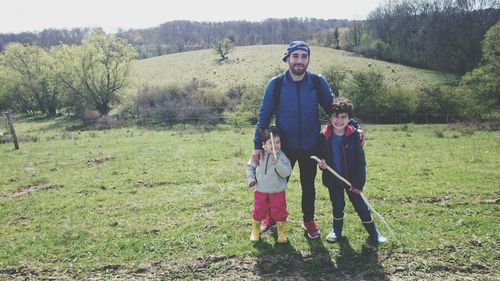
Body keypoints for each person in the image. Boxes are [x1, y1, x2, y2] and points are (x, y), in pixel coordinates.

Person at [252, 40, 362, 239]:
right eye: (295, 56)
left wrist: (355, 127)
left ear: (309, 59)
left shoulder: (318, 82)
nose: (299, 61)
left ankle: (308, 220)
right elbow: (264, 116)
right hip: (282, 148)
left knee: (308, 186)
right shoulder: (275, 84)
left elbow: (335, 110)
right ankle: (270, 218)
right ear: (288, 59)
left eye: (304, 56)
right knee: (273, 184)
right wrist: (256, 146)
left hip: (311, 146)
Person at [316, 97, 387, 243]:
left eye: (343, 117)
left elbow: (361, 162)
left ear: (349, 119)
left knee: (361, 207)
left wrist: (358, 184)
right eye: (336, 116)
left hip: (352, 180)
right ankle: (336, 231)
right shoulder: (324, 136)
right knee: (337, 205)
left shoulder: (354, 136)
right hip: (334, 179)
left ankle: (374, 233)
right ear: (330, 117)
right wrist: (322, 164)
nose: (339, 120)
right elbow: (321, 156)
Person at [247, 126, 292, 243]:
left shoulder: (281, 156)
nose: (275, 145)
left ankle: (281, 232)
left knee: (279, 210)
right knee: (259, 210)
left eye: (277, 142)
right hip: (260, 190)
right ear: (263, 144)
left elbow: (287, 172)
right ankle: (255, 229)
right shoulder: (259, 155)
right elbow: (250, 167)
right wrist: (251, 179)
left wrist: (278, 164)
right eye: (271, 142)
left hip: (277, 191)